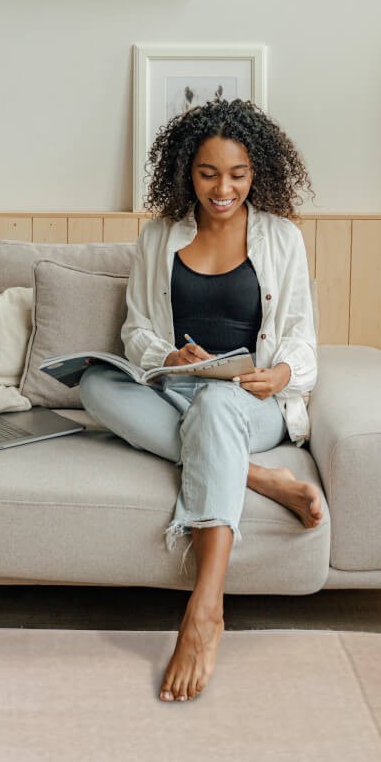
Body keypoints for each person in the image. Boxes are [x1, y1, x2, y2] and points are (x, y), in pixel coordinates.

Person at [79, 98, 323, 703]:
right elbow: (135, 331)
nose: (224, 189)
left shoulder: (281, 238)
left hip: (250, 398)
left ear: (257, 172)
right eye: (209, 173)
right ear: (187, 171)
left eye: (238, 175)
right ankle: (257, 477)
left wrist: (281, 373)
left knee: (216, 411)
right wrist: (167, 357)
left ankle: (206, 608)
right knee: (92, 384)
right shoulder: (159, 236)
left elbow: (301, 337)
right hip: (178, 388)